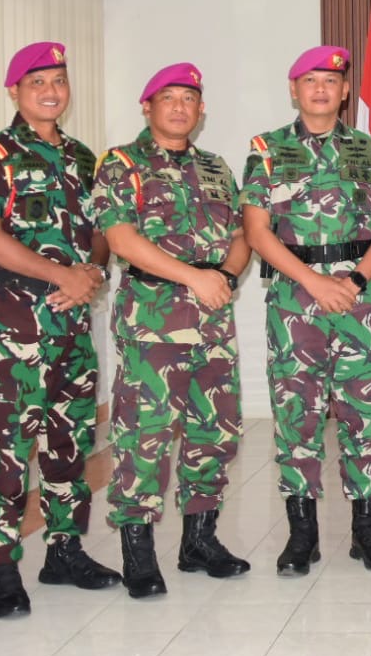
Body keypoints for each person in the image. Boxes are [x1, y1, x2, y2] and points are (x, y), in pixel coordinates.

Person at [0, 40, 120, 618]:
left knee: (69, 442)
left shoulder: (82, 157)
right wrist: (62, 274)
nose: (51, 92)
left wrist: (92, 272)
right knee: (8, 448)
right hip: (12, 321)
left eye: (58, 81)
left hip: (71, 323)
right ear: (15, 92)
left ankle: (64, 550)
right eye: (37, 83)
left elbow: (100, 231)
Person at [90, 63, 253, 598]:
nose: (181, 107)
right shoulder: (122, 164)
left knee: (215, 429)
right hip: (154, 319)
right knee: (145, 433)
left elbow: (241, 235)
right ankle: (138, 553)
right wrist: (194, 277)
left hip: (213, 318)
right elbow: (121, 240)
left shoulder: (216, 167)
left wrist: (226, 277)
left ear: (201, 110)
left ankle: (199, 541)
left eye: (189, 99)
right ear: (148, 107)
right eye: (169, 98)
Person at [241, 45, 371, 575]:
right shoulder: (267, 149)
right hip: (296, 301)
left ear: (345, 91)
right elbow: (256, 231)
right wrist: (314, 281)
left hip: (360, 300)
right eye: (309, 81)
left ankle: (367, 532)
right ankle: (301, 536)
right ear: (294, 90)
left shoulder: (368, 148)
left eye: (330, 82)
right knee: (297, 419)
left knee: (365, 418)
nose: (320, 89)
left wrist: (353, 281)